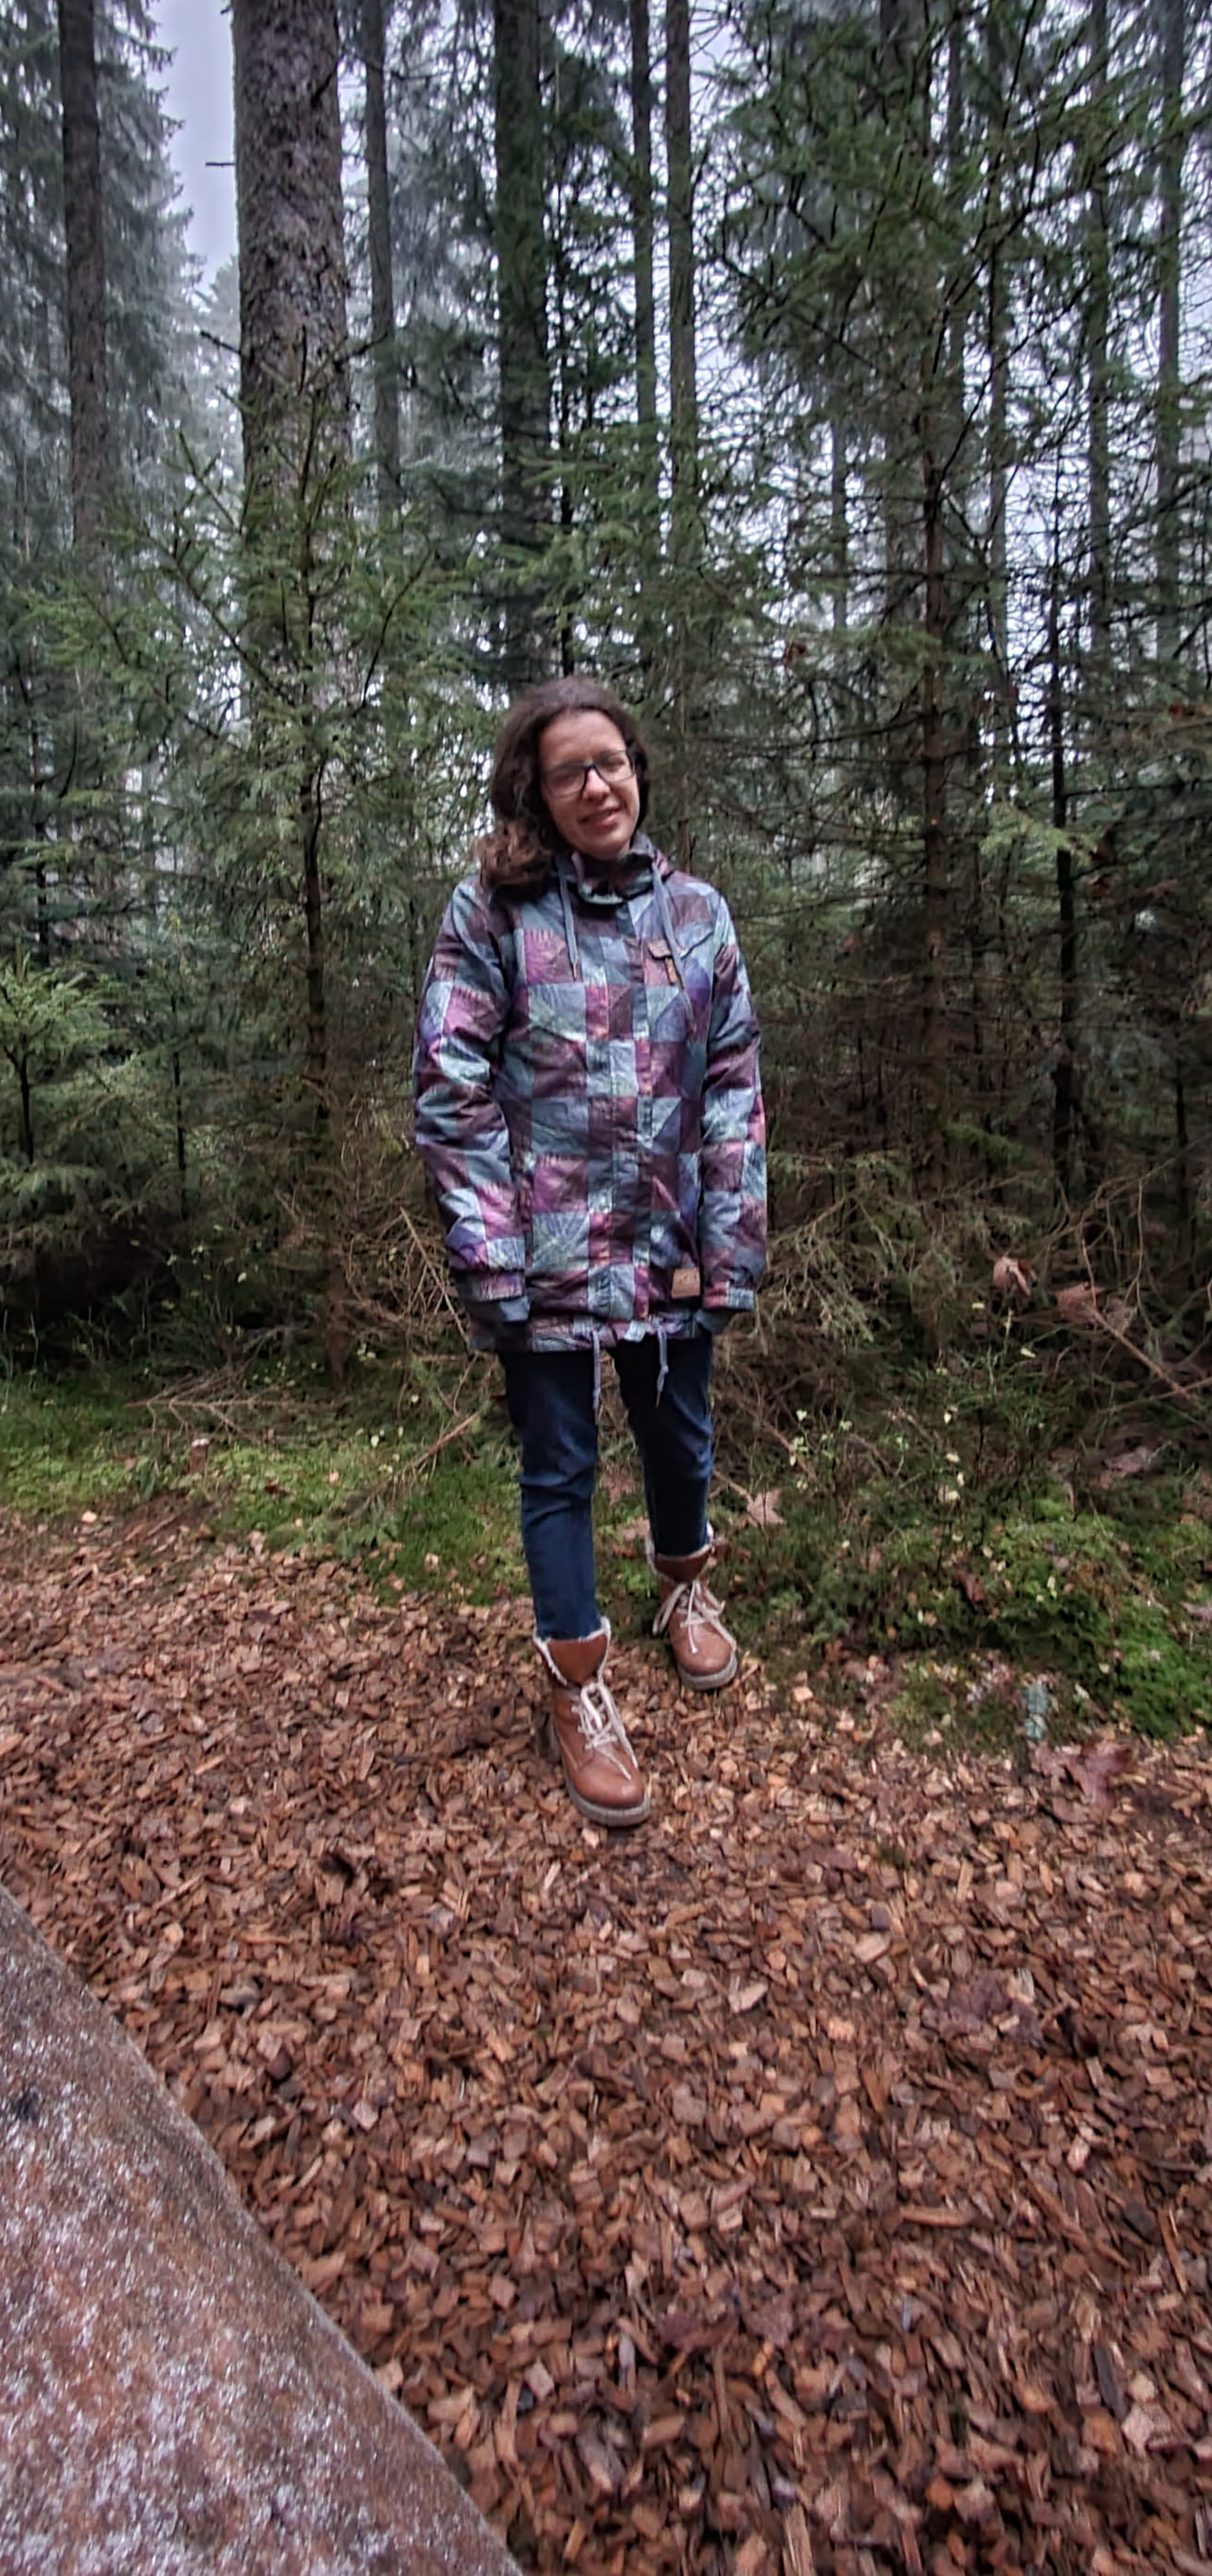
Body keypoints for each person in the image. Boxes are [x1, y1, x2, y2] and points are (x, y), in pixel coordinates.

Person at [413, 675, 767, 1829]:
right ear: (536, 789)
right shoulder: (493, 912)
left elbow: (732, 1083)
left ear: (637, 769)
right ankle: (576, 1685)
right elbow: (452, 1086)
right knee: (560, 1466)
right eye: (569, 770)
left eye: (609, 762)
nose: (596, 786)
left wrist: (731, 1235)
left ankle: (685, 1590)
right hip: (544, 1255)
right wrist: (491, 1253)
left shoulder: (697, 915)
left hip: (671, 1243)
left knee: (681, 1438)